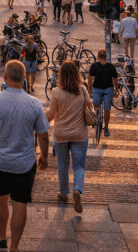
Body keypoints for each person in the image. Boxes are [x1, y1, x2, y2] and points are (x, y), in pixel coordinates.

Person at [0, 60, 50, 252]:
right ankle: (14, 247)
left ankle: (2, 237)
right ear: (24, 78)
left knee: (0, 197)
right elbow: (43, 134)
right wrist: (44, 156)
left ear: (5, 78)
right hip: (25, 163)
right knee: (20, 203)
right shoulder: (34, 104)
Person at [46, 60, 91, 214]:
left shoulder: (56, 92)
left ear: (61, 75)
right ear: (76, 74)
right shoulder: (82, 90)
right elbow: (90, 109)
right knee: (79, 165)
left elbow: (51, 115)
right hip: (80, 134)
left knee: (63, 165)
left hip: (61, 134)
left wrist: (38, 122)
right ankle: (77, 189)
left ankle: (64, 193)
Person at [87, 49, 119, 137]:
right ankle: (106, 127)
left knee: (96, 105)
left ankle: (97, 119)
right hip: (108, 89)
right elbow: (115, 79)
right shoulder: (111, 66)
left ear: (98, 57)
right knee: (107, 109)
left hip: (97, 89)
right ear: (106, 57)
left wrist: (89, 89)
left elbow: (90, 78)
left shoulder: (94, 66)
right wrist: (116, 90)